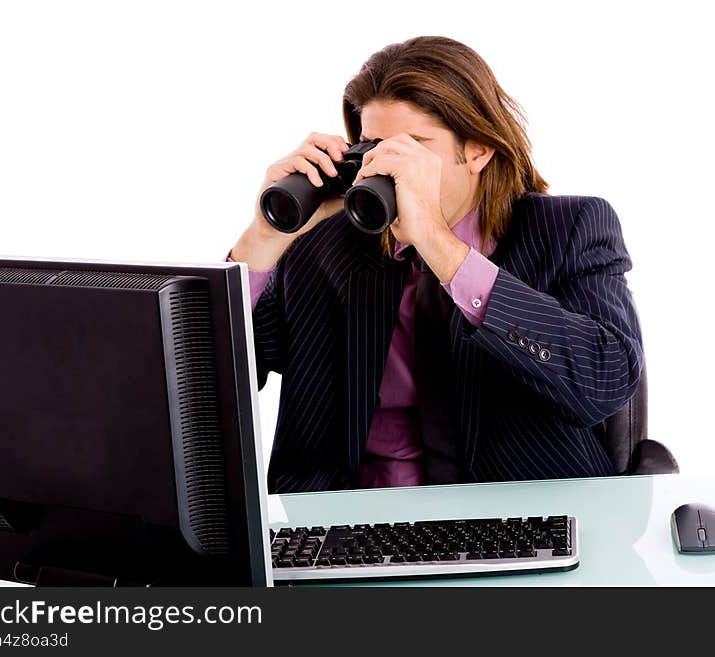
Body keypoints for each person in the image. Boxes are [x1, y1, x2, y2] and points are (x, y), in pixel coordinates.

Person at [228, 36, 644, 494]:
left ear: (479, 150)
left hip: (523, 517)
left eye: (412, 147)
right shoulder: (323, 246)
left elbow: (605, 381)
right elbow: (207, 391)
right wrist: (264, 240)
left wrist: (439, 246)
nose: (387, 167)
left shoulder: (570, 228)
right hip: (349, 527)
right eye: (374, 147)